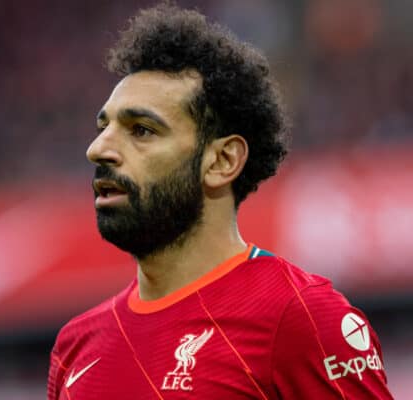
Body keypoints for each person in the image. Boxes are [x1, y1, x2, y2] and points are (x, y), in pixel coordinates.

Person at [48, 3, 393, 399]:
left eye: (141, 130)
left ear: (222, 160)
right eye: (103, 127)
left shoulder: (300, 317)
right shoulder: (75, 347)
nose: (98, 149)